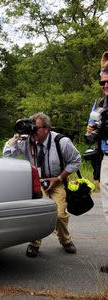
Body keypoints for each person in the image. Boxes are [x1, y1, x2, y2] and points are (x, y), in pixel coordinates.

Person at [3, 112, 81, 258]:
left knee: (59, 214)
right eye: (31, 128)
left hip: (56, 181)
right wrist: (14, 140)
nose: (33, 132)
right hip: (37, 182)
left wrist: (58, 178)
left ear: (46, 128)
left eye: (36, 128)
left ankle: (65, 240)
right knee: (37, 213)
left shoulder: (61, 141)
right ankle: (34, 243)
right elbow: (7, 157)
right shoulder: (27, 141)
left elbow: (76, 161)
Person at [87, 51, 108, 273]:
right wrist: (91, 131)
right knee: (107, 210)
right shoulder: (100, 103)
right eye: (102, 81)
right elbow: (91, 130)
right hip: (105, 159)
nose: (105, 85)